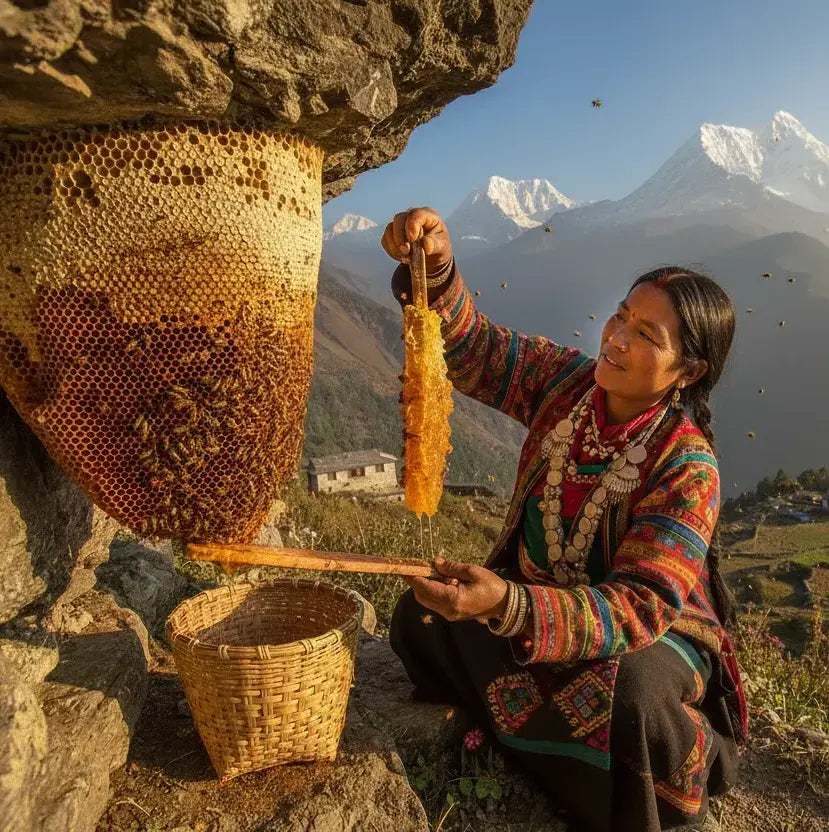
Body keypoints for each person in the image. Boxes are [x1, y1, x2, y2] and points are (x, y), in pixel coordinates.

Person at [380, 207, 747, 832]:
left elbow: (639, 605)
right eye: (622, 316)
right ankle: (545, 748)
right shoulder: (566, 384)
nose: (618, 338)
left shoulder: (687, 466)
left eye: (647, 336)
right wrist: (435, 269)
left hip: (650, 637)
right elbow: (476, 352)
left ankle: (691, 757)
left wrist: (511, 608)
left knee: (629, 695)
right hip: (536, 601)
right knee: (418, 617)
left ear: (688, 372)